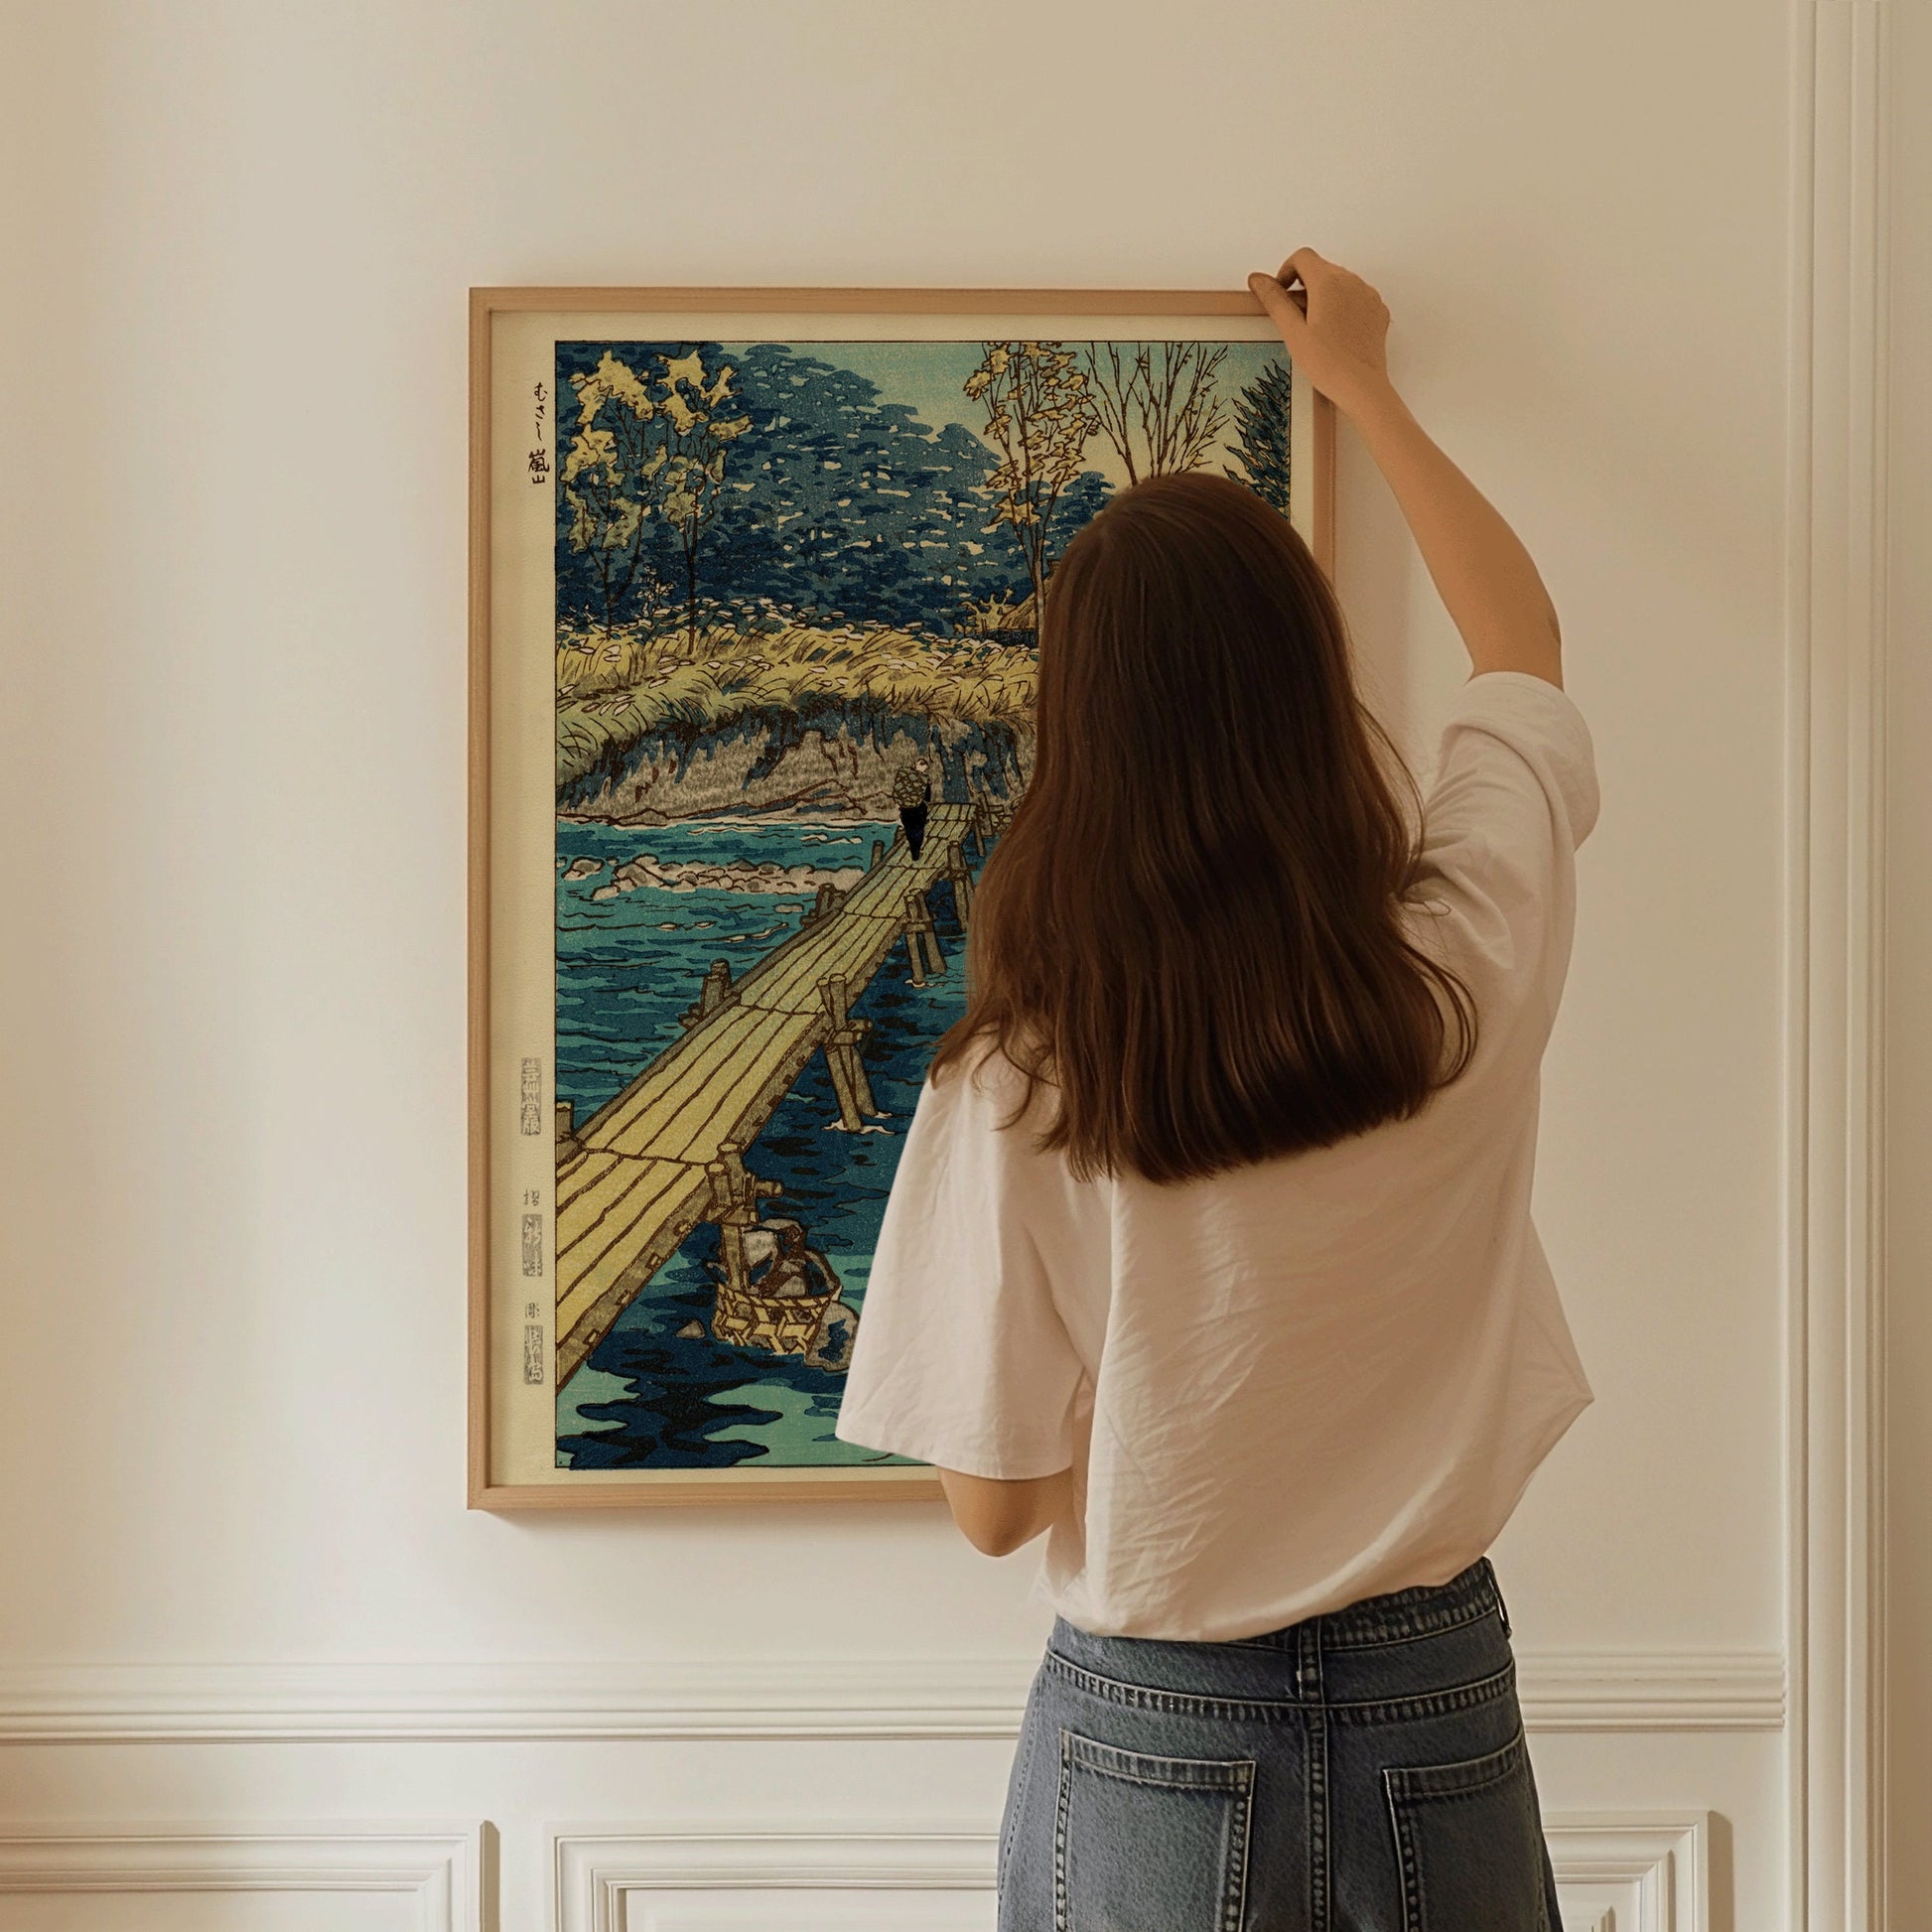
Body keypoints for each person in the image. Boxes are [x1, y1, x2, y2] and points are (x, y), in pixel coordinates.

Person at [833, 248, 1596, 1931]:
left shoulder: (1022, 1081)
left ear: (1078, 735)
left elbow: (992, 1507)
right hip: (1435, 1707)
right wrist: (1366, 389)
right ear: (1311, 692)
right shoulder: (1462, 959)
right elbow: (1521, 648)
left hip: (1152, 1736)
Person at [893, 755, 932, 860]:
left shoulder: (902, 774)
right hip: (919, 809)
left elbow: (896, 791)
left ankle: (913, 852)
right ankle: (916, 853)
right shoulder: (924, 779)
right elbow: (928, 798)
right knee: (919, 830)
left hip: (905, 809)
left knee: (909, 830)